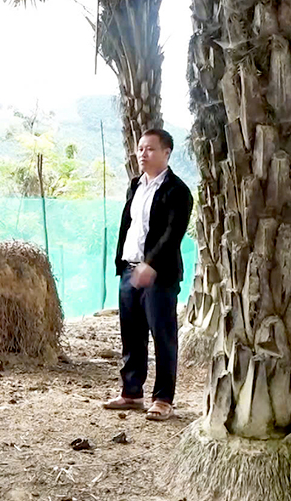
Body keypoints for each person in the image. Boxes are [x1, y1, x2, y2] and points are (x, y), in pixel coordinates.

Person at [102, 128, 192, 421]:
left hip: (159, 275)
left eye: (150, 149)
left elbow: (172, 233)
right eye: (140, 148)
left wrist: (150, 264)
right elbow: (129, 227)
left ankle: (163, 399)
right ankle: (131, 393)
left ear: (166, 153)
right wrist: (124, 263)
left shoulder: (177, 191)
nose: (143, 153)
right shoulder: (135, 186)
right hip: (129, 270)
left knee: (163, 336)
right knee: (132, 334)